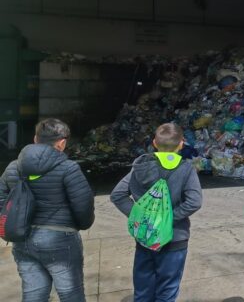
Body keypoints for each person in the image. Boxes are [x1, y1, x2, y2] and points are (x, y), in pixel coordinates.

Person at [0, 118, 95, 302]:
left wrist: (12, 222)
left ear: (35, 139)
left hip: (23, 238)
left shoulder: (14, 167)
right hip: (60, 240)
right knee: (70, 294)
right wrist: (81, 224)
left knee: (33, 293)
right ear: (62, 143)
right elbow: (83, 207)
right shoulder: (69, 168)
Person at [111, 123, 203, 302]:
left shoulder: (140, 167)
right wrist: (167, 218)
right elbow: (194, 202)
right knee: (167, 291)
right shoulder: (186, 169)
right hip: (175, 239)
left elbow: (118, 195)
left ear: (154, 143)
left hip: (146, 236)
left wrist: (142, 216)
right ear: (181, 144)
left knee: (143, 290)